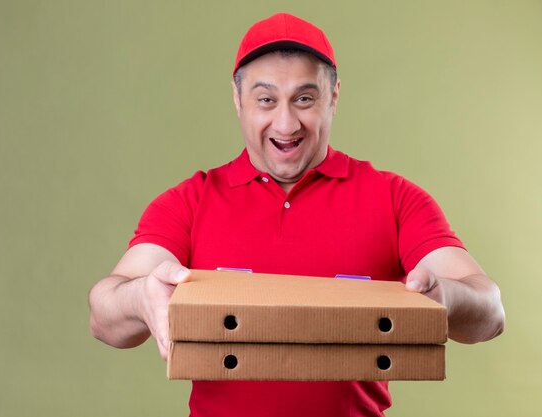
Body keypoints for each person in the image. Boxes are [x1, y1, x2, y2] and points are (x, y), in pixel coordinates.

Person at [89, 12, 505, 417]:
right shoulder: (190, 202)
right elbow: (103, 316)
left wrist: (445, 299)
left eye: (304, 99)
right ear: (238, 100)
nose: (286, 124)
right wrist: (141, 296)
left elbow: (490, 311)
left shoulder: (396, 199)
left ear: (334, 96)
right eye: (266, 100)